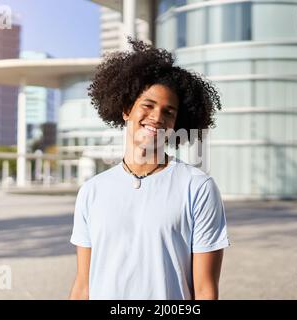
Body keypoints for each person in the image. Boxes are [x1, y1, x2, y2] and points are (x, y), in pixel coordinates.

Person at [69, 39, 230, 300]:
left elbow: (205, 290)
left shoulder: (198, 187)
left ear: (177, 122)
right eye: (148, 105)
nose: (157, 117)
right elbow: (83, 286)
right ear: (125, 110)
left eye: (169, 112)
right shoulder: (92, 191)